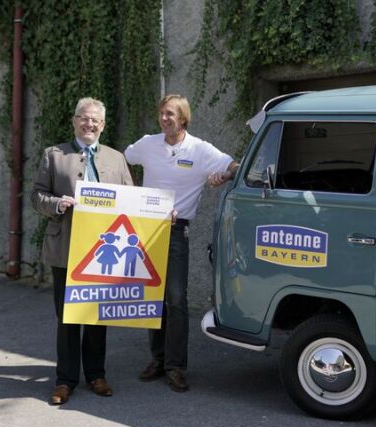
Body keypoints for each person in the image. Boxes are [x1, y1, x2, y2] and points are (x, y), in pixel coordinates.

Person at [125, 94, 238, 392]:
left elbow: (236, 166)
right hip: (145, 230)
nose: (164, 119)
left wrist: (224, 176)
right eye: (162, 113)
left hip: (177, 232)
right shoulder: (148, 144)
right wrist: (131, 195)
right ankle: (158, 359)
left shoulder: (200, 150)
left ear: (184, 119)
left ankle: (176, 367)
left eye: (171, 114)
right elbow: (123, 160)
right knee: (151, 298)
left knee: (175, 299)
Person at [31, 97, 134, 405]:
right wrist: (56, 204)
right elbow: (36, 195)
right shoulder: (54, 155)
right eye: (84, 118)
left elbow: (132, 199)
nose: (90, 124)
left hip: (104, 251)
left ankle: (96, 375)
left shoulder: (116, 159)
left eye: (96, 121)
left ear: (103, 126)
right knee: (68, 317)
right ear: (74, 120)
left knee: (97, 315)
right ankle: (65, 380)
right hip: (65, 246)